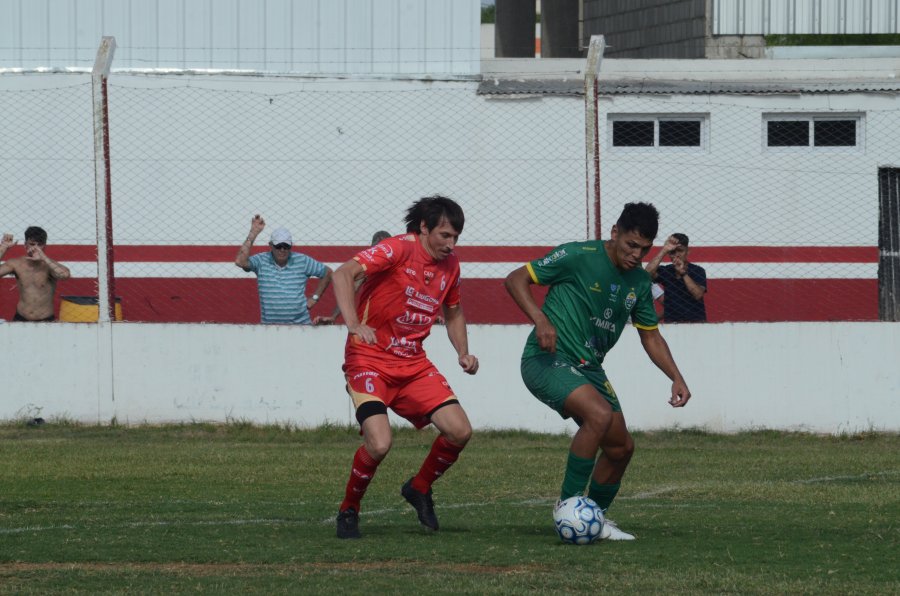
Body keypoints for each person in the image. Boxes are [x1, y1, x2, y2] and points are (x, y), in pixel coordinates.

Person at [504, 202, 691, 541]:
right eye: (631, 245)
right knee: (599, 415)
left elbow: (650, 335)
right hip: (546, 359)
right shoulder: (578, 255)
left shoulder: (638, 283)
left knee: (621, 449)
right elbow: (515, 278)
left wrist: (676, 376)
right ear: (615, 233)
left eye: (644, 249)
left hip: (589, 369)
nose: (636, 254)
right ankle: (569, 507)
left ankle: (594, 518)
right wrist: (541, 320)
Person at [332, 196, 479, 539]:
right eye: (444, 235)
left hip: (412, 364)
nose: (451, 244)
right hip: (368, 359)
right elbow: (343, 273)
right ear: (424, 228)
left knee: (460, 430)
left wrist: (464, 352)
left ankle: (419, 487)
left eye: (456, 237)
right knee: (380, 443)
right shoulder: (396, 249)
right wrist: (353, 323)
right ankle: (349, 509)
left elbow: (453, 311)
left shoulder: (451, 266)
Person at [235, 215, 333, 324]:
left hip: (301, 326)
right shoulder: (261, 260)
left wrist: (315, 298)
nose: (282, 250)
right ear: (271, 246)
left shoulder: (302, 260)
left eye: (286, 246)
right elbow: (240, 261)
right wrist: (253, 234)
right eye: (279, 246)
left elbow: (327, 272)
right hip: (269, 328)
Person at [314, 230, 391, 326]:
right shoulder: (368, 267)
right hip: (373, 318)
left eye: (381, 249)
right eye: (376, 249)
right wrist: (333, 317)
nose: (378, 254)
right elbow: (351, 290)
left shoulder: (399, 266)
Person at [0, 227, 71, 322]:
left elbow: (65, 275)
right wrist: (3, 247)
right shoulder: (16, 264)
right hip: (21, 318)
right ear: (25, 245)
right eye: (32, 244)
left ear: (45, 245)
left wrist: (43, 258)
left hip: (46, 320)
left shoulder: (49, 265)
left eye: (40, 245)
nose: (36, 248)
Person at [644, 233, 707, 323]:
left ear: (687, 251)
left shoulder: (698, 270)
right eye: (672, 252)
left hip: (696, 325)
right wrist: (664, 250)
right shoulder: (666, 270)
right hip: (671, 325)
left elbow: (698, 294)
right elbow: (646, 274)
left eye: (680, 251)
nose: (676, 255)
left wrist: (683, 273)